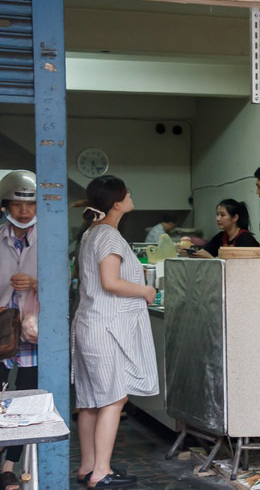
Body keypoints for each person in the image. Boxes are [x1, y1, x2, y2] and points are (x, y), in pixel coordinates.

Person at [73, 175, 158, 489]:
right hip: (103, 326)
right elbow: (110, 282)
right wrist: (145, 291)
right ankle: (101, 472)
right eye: (127, 192)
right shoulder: (108, 236)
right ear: (117, 203)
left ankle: (88, 467)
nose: (131, 194)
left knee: (90, 402)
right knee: (113, 398)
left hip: (90, 323)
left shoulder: (92, 233)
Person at [0, 170, 38, 490]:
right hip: (0, 330)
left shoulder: (47, 241)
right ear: (5, 206)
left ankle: (10, 466)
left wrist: (36, 283)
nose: (24, 211)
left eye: (30, 205)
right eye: (17, 205)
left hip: (35, 332)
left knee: (26, 400)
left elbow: (66, 284)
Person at [191, 199, 259, 258]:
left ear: (235, 218)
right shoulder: (220, 236)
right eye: (217, 214)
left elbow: (242, 266)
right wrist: (190, 253)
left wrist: (211, 258)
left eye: (222, 215)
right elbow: (204, 252)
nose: (218, 219)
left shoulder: (245, 238)